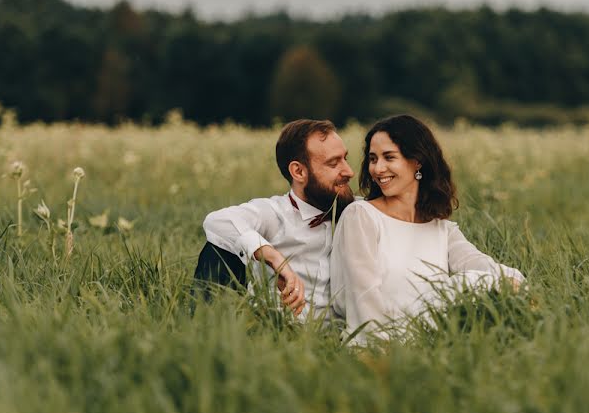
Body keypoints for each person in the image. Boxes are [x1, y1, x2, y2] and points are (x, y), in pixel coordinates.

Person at [330, 115, 525, 343]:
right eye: (373, 159)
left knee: (488, 280)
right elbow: (362, 295)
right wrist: (381, 348)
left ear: (417, 161)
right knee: (466, 283)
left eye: (389, 157)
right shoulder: (361, 216)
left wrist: (513, 282)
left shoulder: (441, 228)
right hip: (379, 342)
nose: (378, 169)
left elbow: (481, 264)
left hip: (431, 342)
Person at [196, 119, 355, 319]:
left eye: (345, 159)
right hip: (276, 331)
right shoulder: (275, 213)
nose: (349, 171)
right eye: (333, 163)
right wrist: (276, 259)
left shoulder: (357, 213)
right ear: (298, 172)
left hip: (340, 338)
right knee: (217, 250)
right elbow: (217, 221)